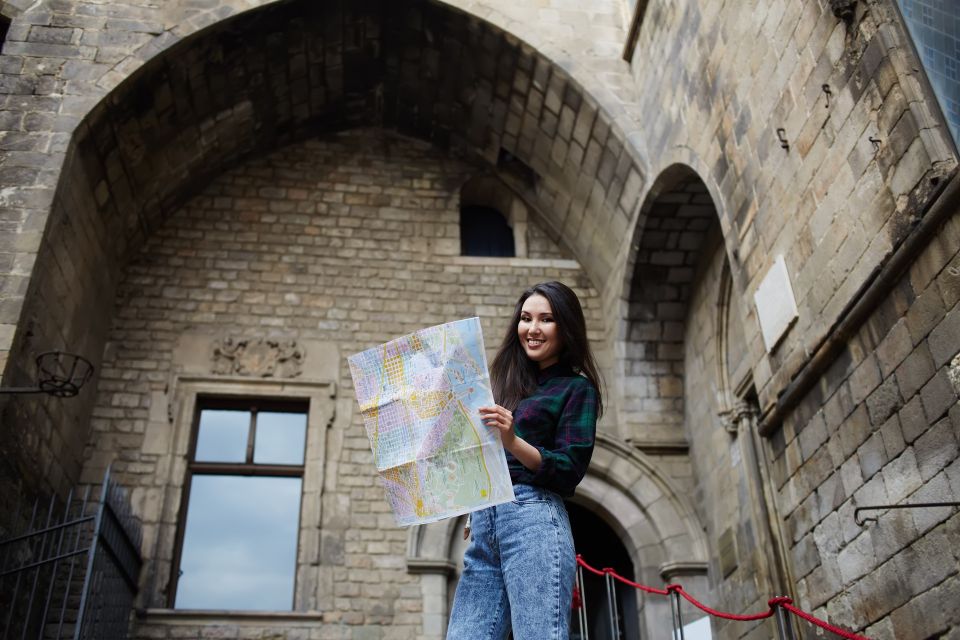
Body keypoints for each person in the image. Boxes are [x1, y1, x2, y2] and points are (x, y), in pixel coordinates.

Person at [446, 281, 603, 640]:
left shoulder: (576, 389)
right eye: (526, 318)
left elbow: (569, 470)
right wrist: (475, 501)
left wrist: (512, 440)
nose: (532, 329)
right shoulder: (503, 385)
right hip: (487, 521)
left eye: (546, 320)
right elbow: (485, 455)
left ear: (565, 327)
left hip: (533, 518)